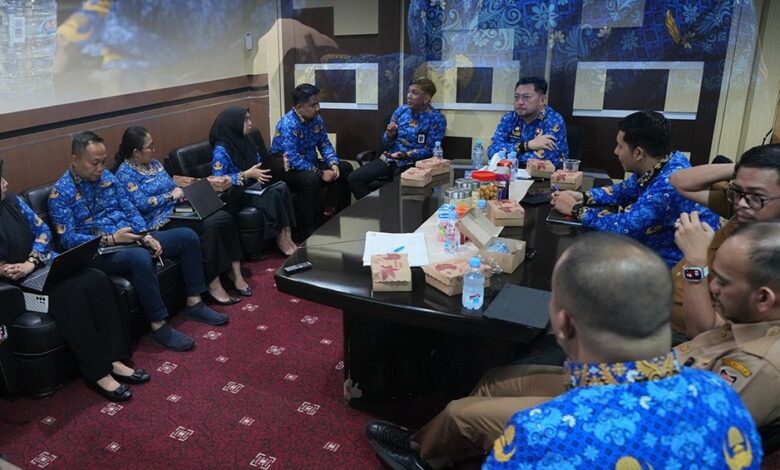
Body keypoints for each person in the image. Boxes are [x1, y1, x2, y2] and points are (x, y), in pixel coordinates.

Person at [368, 233, 764, 469]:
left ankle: (424, 456)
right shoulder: (722, 395)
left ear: (563, 323)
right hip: (640, 380)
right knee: (493, 381)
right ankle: (439, 447)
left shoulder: (540, 433)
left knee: (461, 410)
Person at [48, 131, 228, 352]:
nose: (101, 168)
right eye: (95, 163)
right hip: (100, 250)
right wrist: (111, 239)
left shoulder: (108, 178)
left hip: (132, 237)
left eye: (103, 162)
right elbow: (68, 239)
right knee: (139, 257)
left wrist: (146, 235)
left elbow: (130, 210)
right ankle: (159, 325)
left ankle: (194, 302)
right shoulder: (60, 193)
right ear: (75, 159)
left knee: (187, 237)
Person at [0, 165, 148, 402]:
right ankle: (98, 372)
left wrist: (31, 261)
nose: (6, 183)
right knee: (71, 295)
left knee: (97, 279)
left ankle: (114, 359)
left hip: (40, 266)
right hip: (19, 289)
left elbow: (43, 231)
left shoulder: (13, 201)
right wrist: (7, 269)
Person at [551, 110, 720, 268]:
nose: (615, 151)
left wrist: (576, 209)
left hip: (671, 266)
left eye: (620, 146)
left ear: (638, 153)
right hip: (649, 247)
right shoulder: (666, 160)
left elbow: (624, 228)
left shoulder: (667, 184)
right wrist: (583, 197)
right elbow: (624, 190)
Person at [115, 126, 251, 304]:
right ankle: (213, 284)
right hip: (158, 222)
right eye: (150, 147)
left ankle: (235, 274)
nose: (154, 150)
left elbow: (172, 186)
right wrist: (169, 197)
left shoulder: (155, 164)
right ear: (136, 152)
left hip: (178, 211)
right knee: (210, 226)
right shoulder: (124, 174)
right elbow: (141, 204)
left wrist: (182, 192)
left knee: (223, 216)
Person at [670, 144, 780, 337]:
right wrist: (744, 168)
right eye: (738, 191)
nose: (742, 203)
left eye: (756, 196)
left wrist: (696, 263)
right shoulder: (747, 209)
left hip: (686, 341)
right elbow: (680, 181)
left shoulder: (771, 253)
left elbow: (709, 334)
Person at [210, 106, 298, 256]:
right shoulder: (221, 150)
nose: (250, 123)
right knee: (272, 195)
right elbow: (216, 181)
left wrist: (277, 163)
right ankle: (280, 240)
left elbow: (259, 164)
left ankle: (288, 237)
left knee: (281, 187)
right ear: (234, 124)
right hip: (237, 192)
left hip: (253, 185)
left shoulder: (247, 140)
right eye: (246, 120)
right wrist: (246, 174)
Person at [270, 83, 353, 239]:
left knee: (345, 168)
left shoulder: (317, 120)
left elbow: (324, 144)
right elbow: (292, 158)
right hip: (287, 170)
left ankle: (341, 216)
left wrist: (333, 163)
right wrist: (320, 172)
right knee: (312, 179)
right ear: (299, 107)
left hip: (310, 164)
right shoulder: (288, 124)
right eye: (313, 105)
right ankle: (309, 229)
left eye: (318, 103)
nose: (317, 108)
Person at [348, 77, 447, 199]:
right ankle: (371, 208)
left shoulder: (437, 119)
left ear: (426, 98)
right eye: (409, 92)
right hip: (390, 159)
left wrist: (405, 154)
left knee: (398, 190)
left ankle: (389, 210)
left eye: (414, 93)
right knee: (354, 178)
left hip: (413, 163)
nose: (409, 96)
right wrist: (390, 135)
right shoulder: (401, 111)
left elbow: (430, 150)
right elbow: (385, 142)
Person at [486, 76, 568, 168]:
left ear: (542, 100)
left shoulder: (553, 121)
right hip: (511, 172)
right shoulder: (509, 118)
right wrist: (527, 145)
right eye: (517, 97)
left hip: (542, 175)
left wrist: (508, 155)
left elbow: (545, 160)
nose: (520, 102)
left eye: (526, 97)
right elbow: (492, 151)